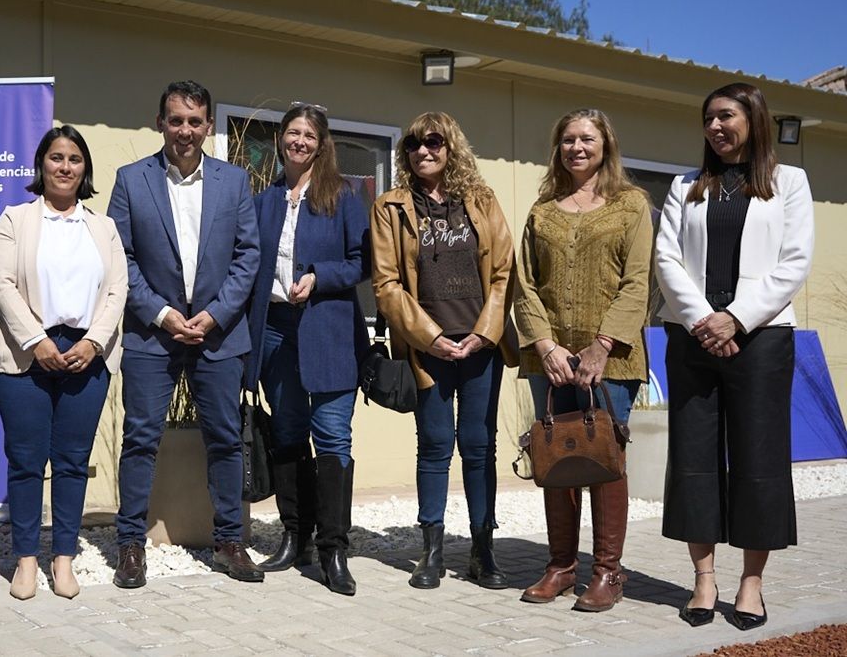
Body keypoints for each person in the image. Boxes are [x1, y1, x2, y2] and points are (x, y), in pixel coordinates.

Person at [655, 83, 814, 631]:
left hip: (763, 338)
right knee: (694, 457)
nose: (716, 127)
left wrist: (737, 318)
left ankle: (751, 583)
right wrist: (705, 320)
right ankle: (703, 580)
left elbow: (793, 264)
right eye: (708, 119)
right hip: (693, 338)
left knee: (758, 459)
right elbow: (667, 258)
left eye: (726, 116)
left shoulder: (789, 183)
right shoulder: (684, 186)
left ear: (754, 119)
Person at [107, 80, 262, 587]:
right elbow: (120, 258)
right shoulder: (132, 180)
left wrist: (215, 314)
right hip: (152, 335)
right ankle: (130, 543)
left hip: (218, 334)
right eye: (176, 120)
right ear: (161, 123)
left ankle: (230, 542)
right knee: (140, 438)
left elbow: (247, 256)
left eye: (195, 121)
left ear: (208, 126)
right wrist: (161, 313)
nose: (185, 131)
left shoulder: (234, 182)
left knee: (224, 439)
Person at [371, 112, 516, 591]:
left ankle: (482, 551)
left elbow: (503, 272)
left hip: (481, 347)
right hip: (426, 350)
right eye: (412, 143)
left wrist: (485, 332)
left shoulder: (481, 200)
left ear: (451, 147)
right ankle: (430, 552)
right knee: (434, 448)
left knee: (479, 448)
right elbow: (387, 283)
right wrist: (429, 337)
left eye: (433, 141)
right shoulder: (391, 207)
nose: (422, 150)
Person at [514, 108, 652, 612]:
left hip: (609, 360)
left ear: (605, 145)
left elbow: (639, 282)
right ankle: (561, 567)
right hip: (549, 359)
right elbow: (524, 284)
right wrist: (545, 345)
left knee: (603, 458)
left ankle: (609, 573)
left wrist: (602, 344)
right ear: (559, 147)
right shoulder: (542, 210)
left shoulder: (632, 205)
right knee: (557, 454)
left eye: (587, 139)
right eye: (568, 138)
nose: (577, 147)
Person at [0, 126, 127, 601]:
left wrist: (93, 342)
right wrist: (36, 340)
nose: (65, 167)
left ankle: (62, 559)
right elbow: (1, 283)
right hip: (25, 355)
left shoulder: (103, 227)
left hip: (87, 353)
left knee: (71, 462)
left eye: (74, 159)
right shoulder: (15, 219)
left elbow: (116, 291)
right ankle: (26, 560)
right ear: (41, 165)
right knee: (26, 462)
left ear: (85, 169)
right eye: (56, 157)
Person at [243, 104, 369, 595]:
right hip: (275, 329)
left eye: (308, 134)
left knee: (333, 434)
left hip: (329, 329)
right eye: (292, 132)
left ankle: (334, 549)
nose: (299, 141)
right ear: (281, 140)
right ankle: (296, 538)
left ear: (322, 142)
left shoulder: (342, 194)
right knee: (290, 432)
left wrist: (319, 277)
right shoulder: (266, 199)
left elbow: (363, 262)